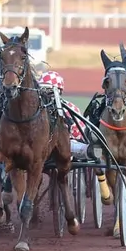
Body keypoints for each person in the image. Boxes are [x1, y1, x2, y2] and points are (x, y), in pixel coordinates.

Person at [38, 70, 112, 204]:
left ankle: (103, 184)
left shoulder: (69, 108)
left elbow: (80, 133)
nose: (46, 94)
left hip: (69, 146)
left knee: (93, 152)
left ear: (58, 91)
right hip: (42, 148)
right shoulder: (36, 111)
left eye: (49, 91)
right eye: (43, 90)